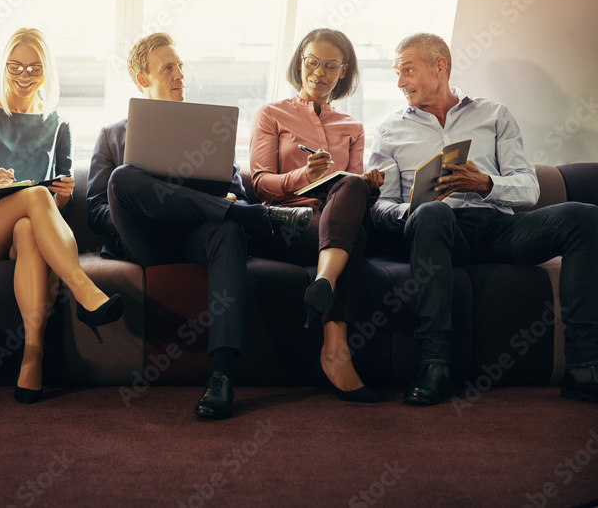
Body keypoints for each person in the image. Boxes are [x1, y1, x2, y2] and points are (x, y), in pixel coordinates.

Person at [86, 32, 312, 420]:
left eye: (180, 66)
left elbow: (237, 190)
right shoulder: (112, 134)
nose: (180, 74)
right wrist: (142, 213)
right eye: (168, 67)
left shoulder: (207, 127)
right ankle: (249, 218)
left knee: (228, 226)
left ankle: (221, 375)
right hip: (146, 242)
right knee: (122, 177)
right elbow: (94, 209)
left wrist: (227, 206)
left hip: (199, 237)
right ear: (143, 79)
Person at [369, 33, 598, 405]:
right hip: (437, 231)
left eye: (407, 70)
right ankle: (434, 365)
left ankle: (584, 366)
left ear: (439, 65)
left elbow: (529, 189)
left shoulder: (494, 115)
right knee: (433, 212)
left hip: (498, 228)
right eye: (397, 73)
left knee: (583, 217)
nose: (400, 82)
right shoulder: (388, 130)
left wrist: (486, 184)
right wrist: (410, 209)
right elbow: (381, 208)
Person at [0, 28, 123, 404]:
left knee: (31, 225)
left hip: (26, 229)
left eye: (34, 68)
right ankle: (83, 290)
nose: (24, 76)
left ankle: (32, 356)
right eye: (16, 66)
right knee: (31, 197)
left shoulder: (58, 123)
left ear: (47, 72)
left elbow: (57, 198)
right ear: (3, 66)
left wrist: (63, 197)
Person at [249, 28, 383, 402]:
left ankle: (323, 282)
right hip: (287, 222)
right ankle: (335, 350)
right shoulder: (271, 114)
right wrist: (303, 176)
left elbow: (355, 192)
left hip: (334, 221)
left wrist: (369, 186)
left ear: (343, 72)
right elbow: (259, 183)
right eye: (311, 62)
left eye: (330, 65)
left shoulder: (353, 127)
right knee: (357, 238)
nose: (319, 72)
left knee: (354, 187)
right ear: (300, 63)